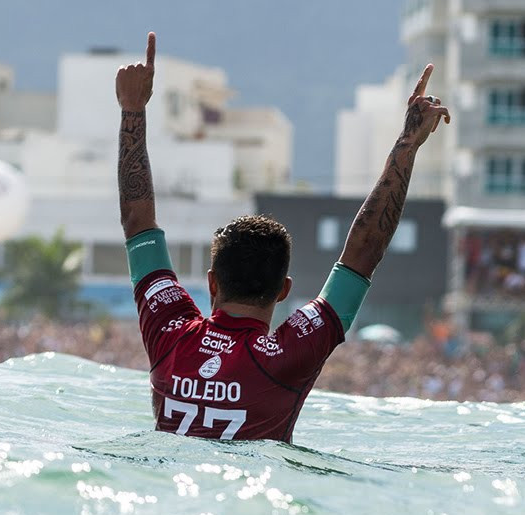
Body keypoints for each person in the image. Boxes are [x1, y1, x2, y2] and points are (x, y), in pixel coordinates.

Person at [115, 32, 448, 441]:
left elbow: (137, 222)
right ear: (283, 290)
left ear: (212, 282)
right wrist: (408, 143)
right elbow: (363, 252)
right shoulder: (288, 356)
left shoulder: (170, 332)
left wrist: (133, 110)